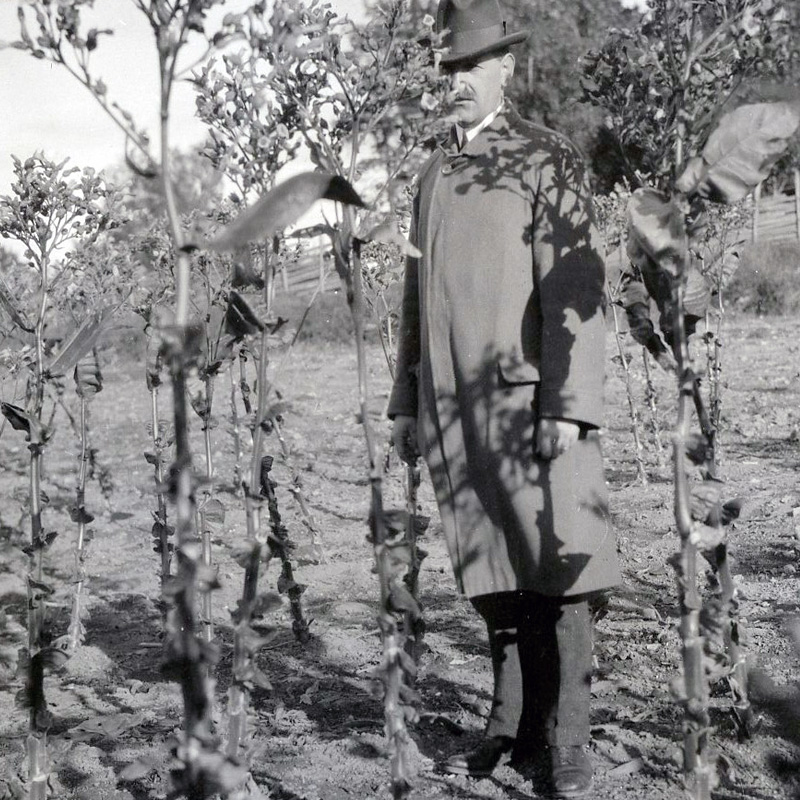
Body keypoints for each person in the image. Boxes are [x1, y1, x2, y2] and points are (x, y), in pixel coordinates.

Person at [388, 1, 621, 797]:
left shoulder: (543, 158)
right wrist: (404, 401)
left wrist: (567, 403)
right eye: (446, 69)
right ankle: (510, 727)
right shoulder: (431, 174)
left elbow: (575, 287)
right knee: (493, 569)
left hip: (534, 406)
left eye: (469, 68)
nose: (454, 83)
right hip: (457, 409)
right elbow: (415, 296)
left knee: (561, 568)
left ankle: (568, 749)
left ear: (505, 70)